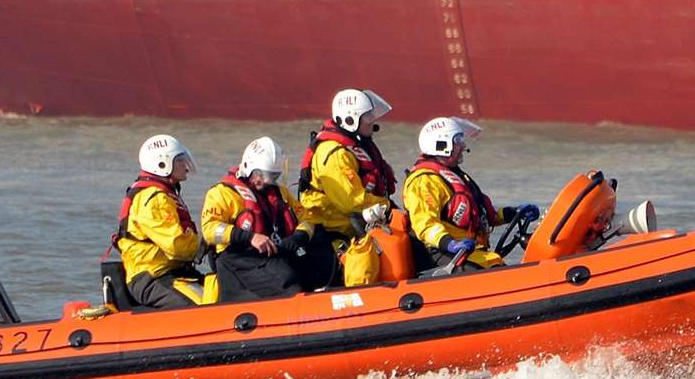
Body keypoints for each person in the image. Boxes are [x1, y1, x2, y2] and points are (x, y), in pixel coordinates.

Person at [403, 116, 538, 271]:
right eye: (458, 140)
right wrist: (450, 244)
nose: (463, 145)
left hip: (469, 250)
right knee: (492, 269)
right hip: (443, 252)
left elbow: (486, 216)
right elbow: (425, 224)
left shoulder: (456, 176)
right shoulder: (424, 181)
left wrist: (513, 213)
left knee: (495, 264)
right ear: (441, 144)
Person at [200, 136, 325, 301]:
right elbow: (209, 229)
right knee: (288, 284)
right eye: (263, 175)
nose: (266, 181)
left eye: (273, 176)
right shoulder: (222, 193)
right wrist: (250, 237)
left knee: (320, 263)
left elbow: (307, 218)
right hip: (240, 260)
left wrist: (299, 236)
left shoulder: (279, 192)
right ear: (249, 168)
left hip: (274, 254)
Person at [296, 88, 398, 284]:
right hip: (333, 232)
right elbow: (352, 200)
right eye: (368, 116)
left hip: (358, 223)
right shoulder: (335, 153)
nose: (372, 120)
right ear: (351, 120)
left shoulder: (357, 146)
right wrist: (387, 207)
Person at [113, 134, 208, 309]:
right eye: (180, 161)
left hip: (172, 272)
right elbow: (176, 245)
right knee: (201, 308)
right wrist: (206, 243)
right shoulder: (154, 198)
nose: (186, 166)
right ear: (163, 164)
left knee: (218, 292)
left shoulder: (164, 194)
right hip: (153, 277)